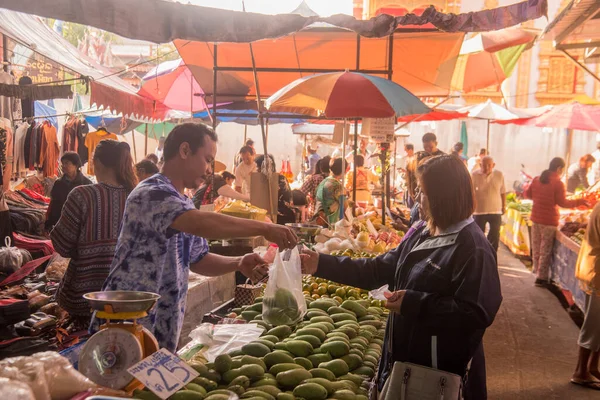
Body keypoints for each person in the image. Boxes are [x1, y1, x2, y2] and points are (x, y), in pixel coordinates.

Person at [301, 155, 502, 399]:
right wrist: (321, 263)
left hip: (441, 377)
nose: (417, 198)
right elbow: (378, 269)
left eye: (423, 192)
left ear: (443, 196)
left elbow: (476, 312)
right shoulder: (422, 231)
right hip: (408, 368)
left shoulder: (473, 247)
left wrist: (413, 302)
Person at [93, 123, 297, 351]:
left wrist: (238, 263)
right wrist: (264, 228)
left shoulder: (183, 202)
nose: (210, 169)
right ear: (184, 151)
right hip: (127, 326)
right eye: (208, 159)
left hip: (160, 328)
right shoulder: (151, 193)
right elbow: (201, 223)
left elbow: (199, 259)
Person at [51, 140, 137, 322]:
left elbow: (62, 246)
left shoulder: (82, 195)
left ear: (95, 162)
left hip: (85, 298)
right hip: (127, 297)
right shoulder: (136, 196)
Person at [525, 157, 587, 287]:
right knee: (545, 249)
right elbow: (563, 203)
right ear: (559, 168)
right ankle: (541, 278)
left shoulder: (537, 179)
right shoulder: (557, 183)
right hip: (549, 221)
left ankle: (536, 270)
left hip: (535, 218)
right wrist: (580, 201)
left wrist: (539, 199)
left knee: (536, 247)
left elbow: (528, 194)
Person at [571, 202, 600, 390]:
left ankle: (591, 367)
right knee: (593, 324)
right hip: (598, 272)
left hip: (594, 268)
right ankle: (581, 371)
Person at [45, 152, 92, 231]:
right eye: (63, 163)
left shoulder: (86, 184)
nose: (63, 166)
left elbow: (89, 208)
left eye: (67, 163)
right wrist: (49, 222)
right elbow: (54, 204)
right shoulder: (58, 183)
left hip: (79, 224)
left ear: (76, 165)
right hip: (60, 222)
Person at [471, 156, 506, 252]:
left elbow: (503, 192)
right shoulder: (474, 175)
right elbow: (470, 192)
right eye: (483, 165)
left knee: (495, 234)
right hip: (479, 211)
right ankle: (480, 253)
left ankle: (492, 253)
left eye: (489, 165)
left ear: (493, 165)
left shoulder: (499, 175)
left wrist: (504, 206)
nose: (486, 168)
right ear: (480, 165)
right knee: (478, 234)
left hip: (495, 210)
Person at [313, 158, 347, 226]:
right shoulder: (337, 185)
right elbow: (345, 206)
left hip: (318, 218)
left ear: (330, 168)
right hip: (329, 222)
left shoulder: (323, 182)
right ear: (344, 170)